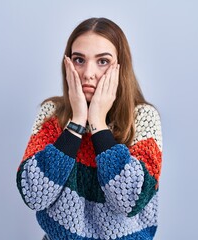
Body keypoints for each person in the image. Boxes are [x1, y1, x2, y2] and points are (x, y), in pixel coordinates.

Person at [16, 17, 163, 240]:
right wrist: (76, 124)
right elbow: (34, 195)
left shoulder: (143, 117)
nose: (88, 73)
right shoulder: (51, 114)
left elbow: (129, 201)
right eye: (79, 60)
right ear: (67, 63)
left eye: (102, 61)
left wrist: (98, 124)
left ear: (120, 67)